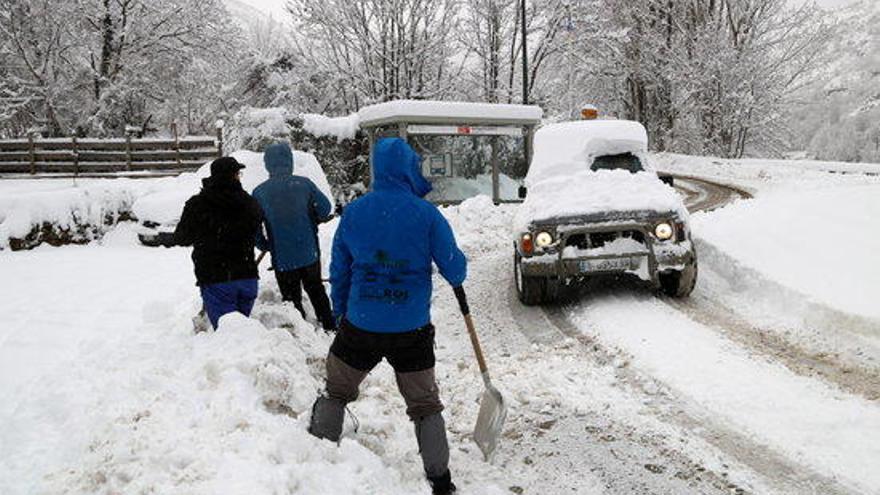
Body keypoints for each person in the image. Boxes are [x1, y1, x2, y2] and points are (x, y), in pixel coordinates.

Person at [308, 138, 467, 495]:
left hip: (361, 323)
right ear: (410, 167)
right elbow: (454, 269)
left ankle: (315, 459)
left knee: (336, 391)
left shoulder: (356, 212)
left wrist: (340, 313)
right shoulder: (426, 214)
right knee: (425, 405)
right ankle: (440, 481)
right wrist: (457, 265)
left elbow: (341, 269)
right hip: (411, 328)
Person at [252, 142, 336, 330]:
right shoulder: (304, 184)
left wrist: (264, 244)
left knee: (291, 298)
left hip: (282, 256)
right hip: (308, 252)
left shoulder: (259, 192)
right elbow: (325, 209)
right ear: (289, 161)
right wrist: (315, 217)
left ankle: (299, 330)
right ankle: (329, 325)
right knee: (316, 289)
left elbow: (254, 225)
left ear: (267, 164)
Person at [174, 156, 263, 329]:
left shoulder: (197, 204)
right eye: (238, 173)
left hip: (215, 279)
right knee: (243, 334)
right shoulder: (249, 203)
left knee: (228, 335)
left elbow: (181, 237)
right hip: (247, 278)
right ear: (234, 176)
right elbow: (256, 226)